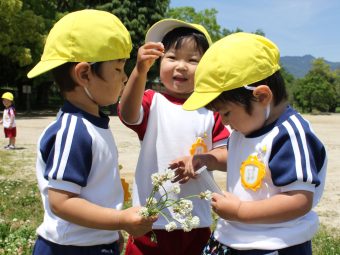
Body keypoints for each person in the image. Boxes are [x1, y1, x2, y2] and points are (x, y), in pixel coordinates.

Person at [182, 32, 327, 255]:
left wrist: (241, 211)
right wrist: (208, 159)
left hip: (275, 244)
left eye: (227, 112)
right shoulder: (245, 129)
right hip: (234, 236)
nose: (224, 122)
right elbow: (237, 157)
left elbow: (299, 200)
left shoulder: (288, 134)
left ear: (261, 96)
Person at [27, 10, 157, 255]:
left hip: (91, 245)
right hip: (68, 249)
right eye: (118, 69)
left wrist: (109, 233)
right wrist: (120, 220)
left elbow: (96, 192)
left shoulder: (93, 123)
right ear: (84, 74)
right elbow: (61, 202)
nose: (125, 77)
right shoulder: (74, 130)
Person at [118, 19, 229, 255]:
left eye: (192, 60)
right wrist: (139, 70)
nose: (181, 66)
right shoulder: (151, 101)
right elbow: (128, 113)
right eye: (172, 57)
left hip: (195, 220)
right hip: (150, 220)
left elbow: (226, 153)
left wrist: (206, 159)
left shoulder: (212, 111)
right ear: (158, 62)